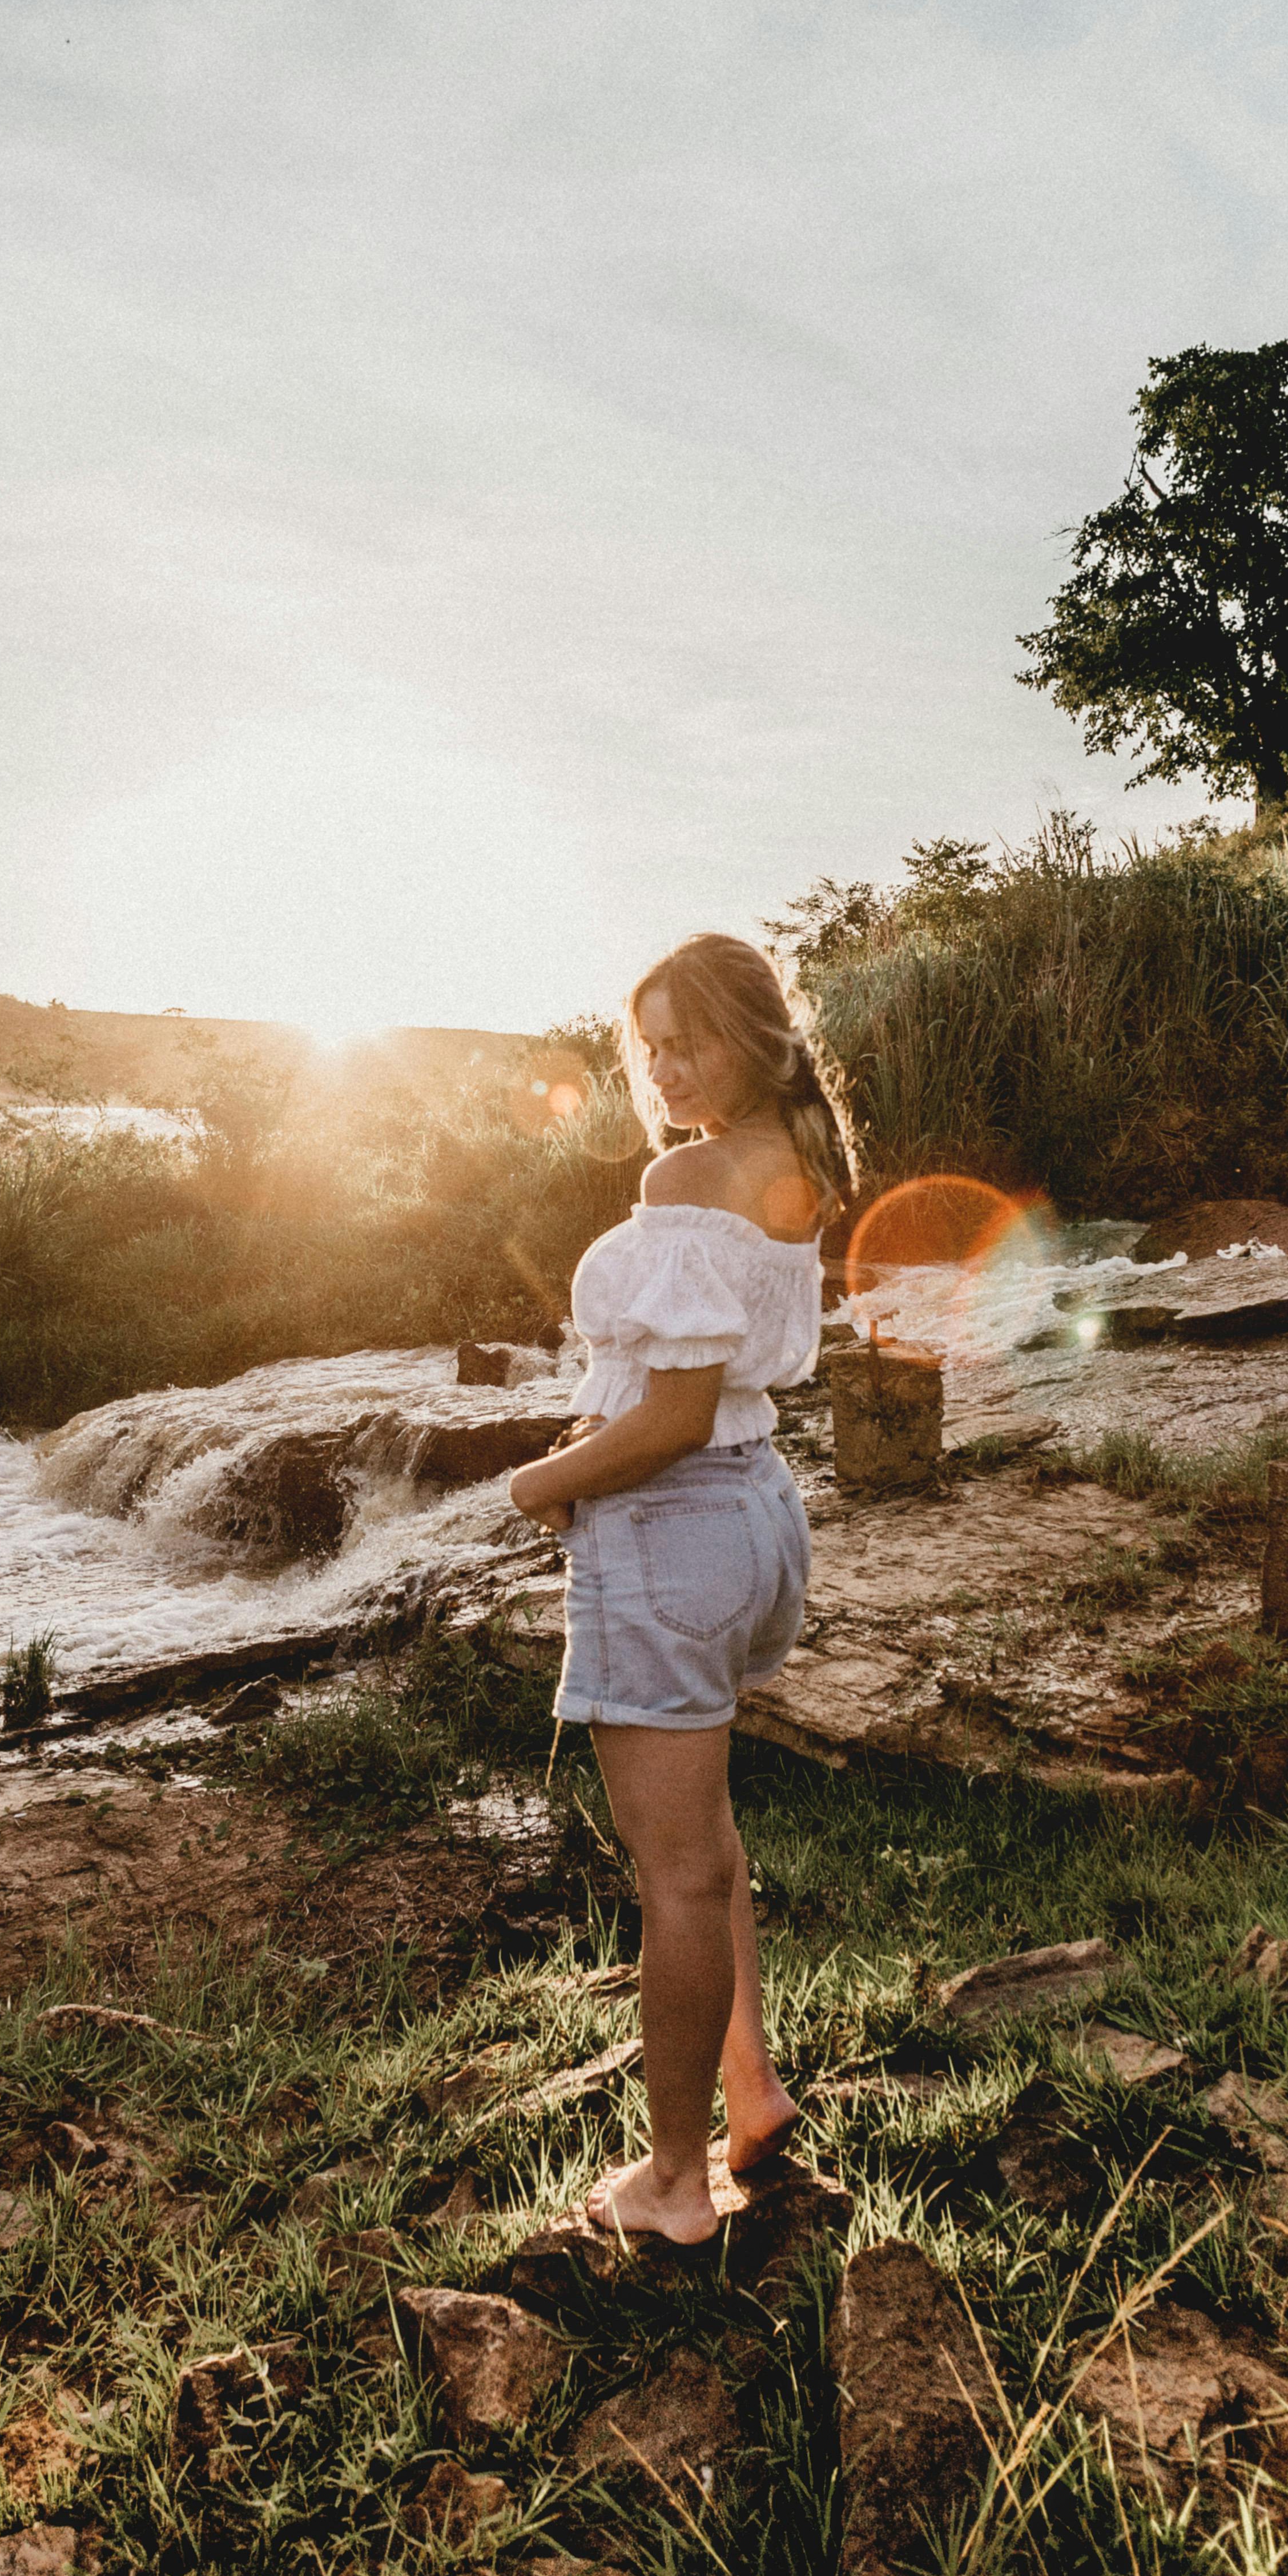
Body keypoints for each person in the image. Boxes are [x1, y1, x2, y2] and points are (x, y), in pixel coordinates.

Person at [507, 932, 855, 2245]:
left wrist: (536, 1486)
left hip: (671, 1524)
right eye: (647, 1044)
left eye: (688, 1038)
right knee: (705, 1849)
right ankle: (748, 2090)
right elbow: (713, 1400)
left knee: (674, 1876)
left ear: (756, 1036)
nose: (661, 1066)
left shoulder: (688, 1172)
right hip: (757, 1516)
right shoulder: (798, 1161)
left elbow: (663, 1423)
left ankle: (670, 2185)